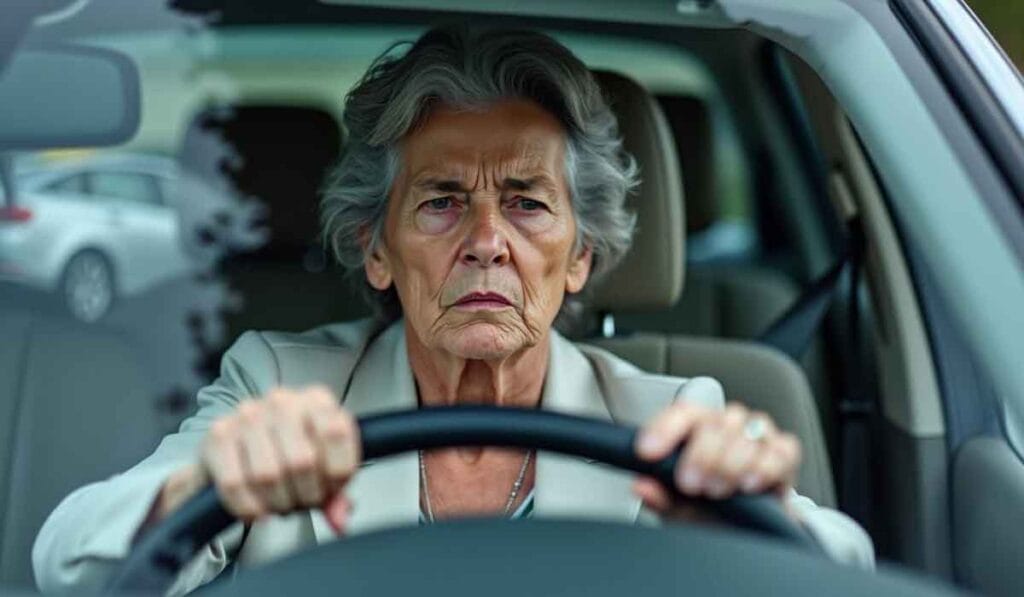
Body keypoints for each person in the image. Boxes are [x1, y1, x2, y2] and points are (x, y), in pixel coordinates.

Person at [33, 24, 873, 595]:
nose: (486, 240)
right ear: (376, 247)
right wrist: (208, 483)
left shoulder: (672, 417)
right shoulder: (278, 381)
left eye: (527, 202)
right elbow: (67, 558)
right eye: (440, 201)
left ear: (581, 256)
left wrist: (736, 532)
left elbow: (845, 566)